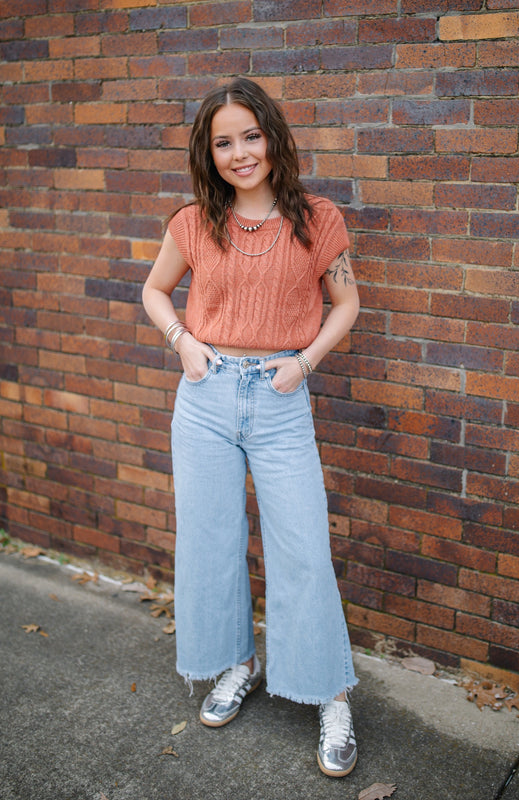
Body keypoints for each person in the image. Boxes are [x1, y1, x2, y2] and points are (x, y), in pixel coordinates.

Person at [142, 77, 360, 778]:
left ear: (272, 137)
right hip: (204, 398)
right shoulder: (192, 222)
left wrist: (304, 362)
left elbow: (347, 302)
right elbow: (152, 290)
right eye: (224, 141)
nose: (240, 153)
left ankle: (329, 690)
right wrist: (181, 340)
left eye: (251, 136)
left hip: (278, 397)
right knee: (210, 543)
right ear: (210, 153)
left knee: (301, 548)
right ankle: (237, 664)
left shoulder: (317, 218)